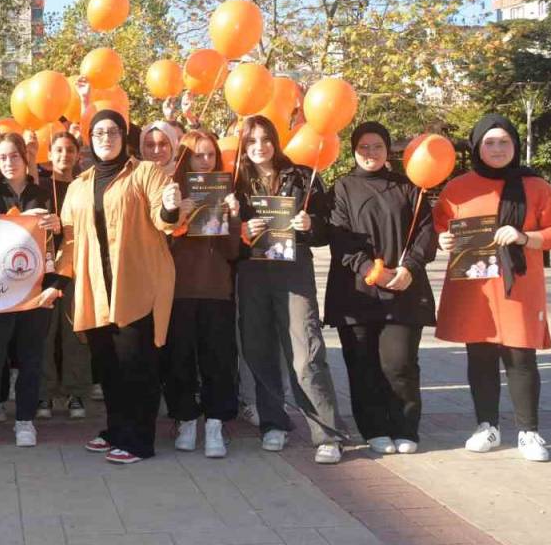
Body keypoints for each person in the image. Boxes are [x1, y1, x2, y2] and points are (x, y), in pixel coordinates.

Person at [434, 114, 551, 462]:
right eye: (489, 142)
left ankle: (529, 431)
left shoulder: (536, 187)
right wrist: (442, 239)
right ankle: (486, 427)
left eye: (504, 142)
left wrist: (526, 236)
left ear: (515, 145)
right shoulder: (457, 188)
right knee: (479, 359)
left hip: (519, 287)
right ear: (477, 146)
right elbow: (438, 227)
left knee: (521, 356)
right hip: (474, 287)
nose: (496, 148)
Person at [54, 109, 182, 464]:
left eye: (112, 132)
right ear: (90, 140)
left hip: (138, 285)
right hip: (96, 290)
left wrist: (171, 208)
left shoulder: (146, 172)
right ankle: (115, 430)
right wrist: (58, 277)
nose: (105, 138)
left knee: (137, 368)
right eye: (98, 133)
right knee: (108, 366)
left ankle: (140, 440)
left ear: (124, 136)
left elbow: (164, 218)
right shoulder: (80, 185)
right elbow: (70, 238)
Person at [234, 115, 347, 464]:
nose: (259, 147)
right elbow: (221, 233)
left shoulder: (301, 176)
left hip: (293, 271)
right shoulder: (235, 182)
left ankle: (327, 433)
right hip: (252, 273)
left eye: (265, 139)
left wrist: (311, 225)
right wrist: (241, 229)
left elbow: (328, 229)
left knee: (305, 353)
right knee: (259, 349)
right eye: (251, 140)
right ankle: (273, 423)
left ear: (275, 140)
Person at [325, 122, 437, 456]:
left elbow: (426, 232)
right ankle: (373, 428)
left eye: (377, 146)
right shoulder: (341, 188)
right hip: (356, 292)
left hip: (403, 287)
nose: (370, 153)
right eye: (364, 147)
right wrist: (368, 268)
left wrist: (409, 268)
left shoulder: (409, 186)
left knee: (398, 363)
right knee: (363, 366)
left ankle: (404, 426)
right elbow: (339, 236)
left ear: (387, 150)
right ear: (353, 150)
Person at [0, 133, 63, 449]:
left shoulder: (46, 194)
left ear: (26, 156)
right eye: (2, 157)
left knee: (32, 360)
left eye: (14, 156)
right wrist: (20, 220)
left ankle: (25, 422)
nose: (8, 162)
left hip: (37, 292)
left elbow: (67, 242)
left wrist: (58, 226)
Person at [166, 130, 241, 457]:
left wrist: (233, 217)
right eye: (199, 155)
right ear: (187, 158)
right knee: (180, 359)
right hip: (178, 290)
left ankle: (215, 422)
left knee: (218, 359)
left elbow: (234, 250)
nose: (206, 161)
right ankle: (185, 418)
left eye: (211, 155)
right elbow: (161, 243)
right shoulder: (171, 193)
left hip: (216, 290)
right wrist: (176, 213)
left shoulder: (225, 192)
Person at [37, 132, 91, 420]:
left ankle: (76, 392)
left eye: (70, 150)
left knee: (75, 332)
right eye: (58, 150)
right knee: (45, 334)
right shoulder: (41, 186)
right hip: (45, 271)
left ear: (78, 154)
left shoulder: (83, 186)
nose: (64, 155)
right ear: (49, 152)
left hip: (78, 268)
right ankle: (44, 393)